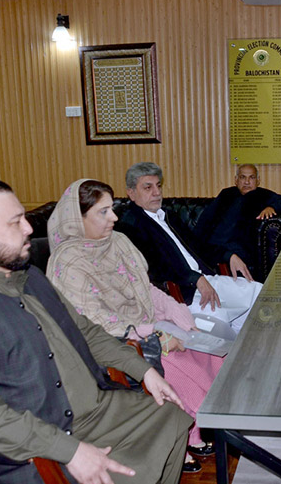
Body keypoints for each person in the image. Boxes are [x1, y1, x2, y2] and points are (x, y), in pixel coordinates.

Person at [0, 178, 191, 484]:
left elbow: (86, 331)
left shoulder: (30, 278)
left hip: (91, 412)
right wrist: (68, 450)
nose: (29, 229)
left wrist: (144, 371)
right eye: (16, 222)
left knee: (172, 417)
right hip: (28, 443)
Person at [46, 178, 224, 473]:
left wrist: (174, 309)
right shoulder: (68, 261)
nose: (114, 217)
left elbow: (147, 288)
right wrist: (155, 336)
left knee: (211, 352)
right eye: (103, 212)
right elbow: (94, 323)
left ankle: (202, 429)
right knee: (181, 367)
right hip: (122, 342)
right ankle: (181, 437)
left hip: (150, 324)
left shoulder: (118, 241)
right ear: (78, 219)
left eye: (112, 209)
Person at [116, 162, 263, 331]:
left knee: (258, 292)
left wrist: (229, 255)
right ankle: (233, 351)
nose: (157, 193)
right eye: (148, 188)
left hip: (206, 280)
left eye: (158, 186)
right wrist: (194, 278)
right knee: (220, 320)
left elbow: (200, 247)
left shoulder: (169, 216)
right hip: (183, 292)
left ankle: (244, 348)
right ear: (131, 193)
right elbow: (155, 269)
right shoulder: (130, 227)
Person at [193, 164, 281, 280]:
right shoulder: (226, 194)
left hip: (238, 247)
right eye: (243, 177)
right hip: (213, 244)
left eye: (251, 177)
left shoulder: (263, 195)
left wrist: (272, 207)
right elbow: (206, 219)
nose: (247, 182)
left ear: (258, 181)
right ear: (236, 180)